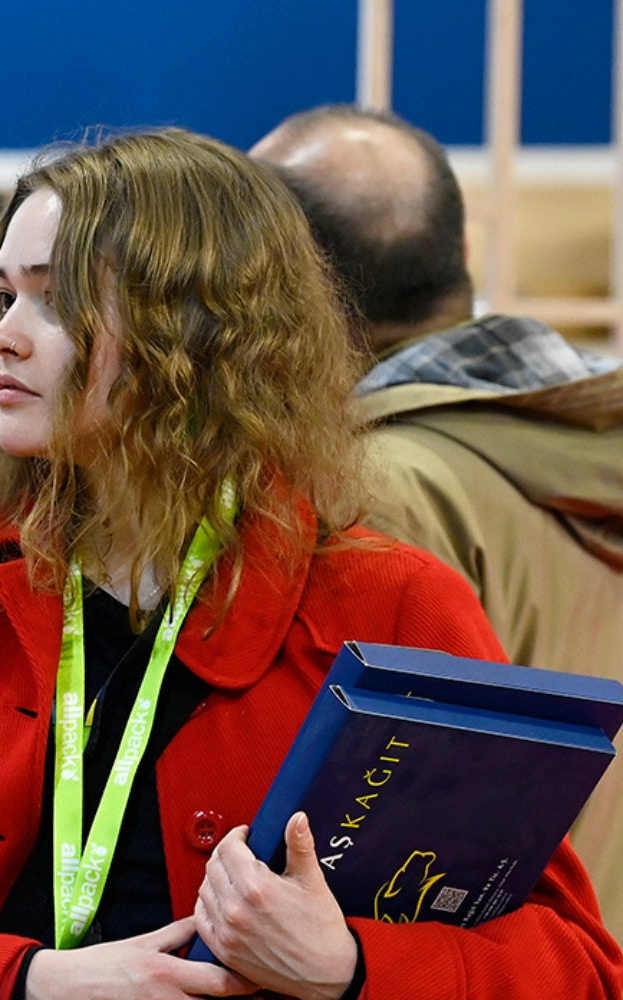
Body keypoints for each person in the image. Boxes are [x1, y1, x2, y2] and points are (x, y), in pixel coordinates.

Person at [0, 128, 620, 999]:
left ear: (192, 334)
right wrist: (34, 984)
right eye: (5, 297)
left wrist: (350, 968)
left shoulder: (390, 599)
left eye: (54, 302)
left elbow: (576, 969)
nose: (2, 339)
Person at [251, 104, 623, 934]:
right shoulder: (593, 422)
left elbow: (382, 836)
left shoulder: (366, 486)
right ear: (462, 251)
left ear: (276, 285)